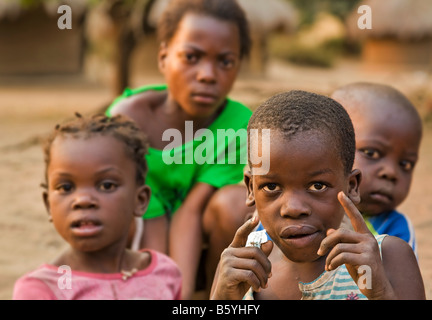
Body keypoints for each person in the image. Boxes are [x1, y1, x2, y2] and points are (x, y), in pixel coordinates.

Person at [211, 90, 425, 300]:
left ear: (351, 187)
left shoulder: (387, 258)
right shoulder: (240, 268)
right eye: (271, 187)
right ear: (250, 188)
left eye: (317, 186)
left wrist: (380, 293)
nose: (293, 208)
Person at [106, 0, 253, 299]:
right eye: (191, 57)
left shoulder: (238, 125)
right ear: (163, 58)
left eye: (225, 61)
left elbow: (191, 210)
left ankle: (221, 295)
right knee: (110, 201)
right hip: (138, 241)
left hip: (205, 247)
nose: (208, 75)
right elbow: (151, 215)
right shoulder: (127, 119)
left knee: (238, 205)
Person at [13, 113, 182, 300]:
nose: (83, 200)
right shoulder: (42, 290)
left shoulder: (164, 274)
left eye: (106, 186)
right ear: (48, 205)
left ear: (140, 200)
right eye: (66, 187)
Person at [331, 82, 422, 256]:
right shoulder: (296, 209)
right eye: (371, 153)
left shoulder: (395, 229)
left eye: (405, 164)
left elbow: (399, 283)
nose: (391, 172)